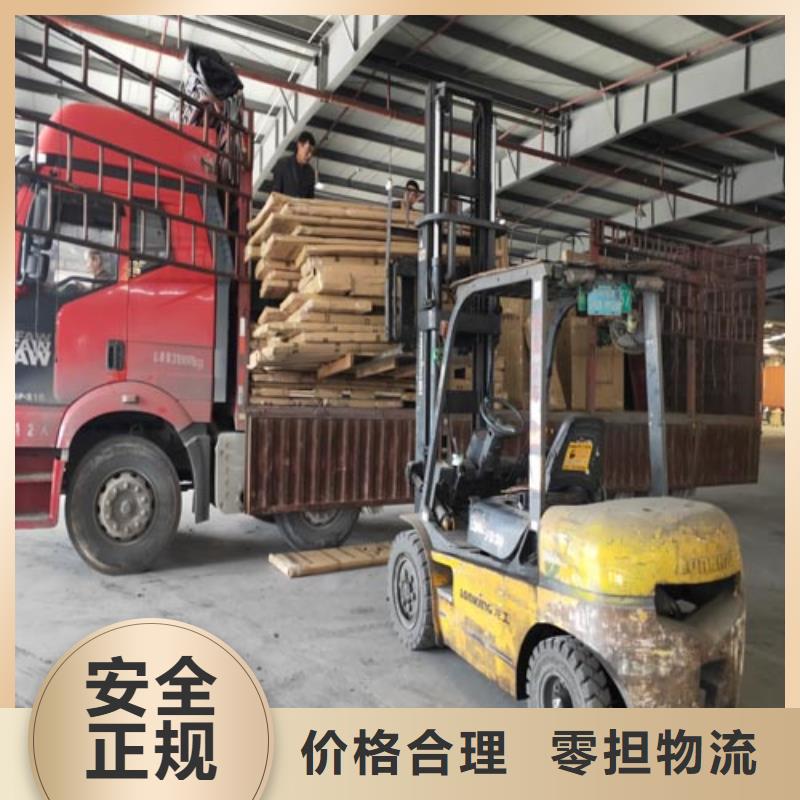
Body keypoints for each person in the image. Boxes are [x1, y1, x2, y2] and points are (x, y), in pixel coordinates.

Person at [271, 131, 317, 199]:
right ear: (299, 145)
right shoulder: (283, 164)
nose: (310, 155)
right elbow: (276, 192)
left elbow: (310, 198)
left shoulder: (310, 173)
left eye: (312, 153)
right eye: (308, 151)